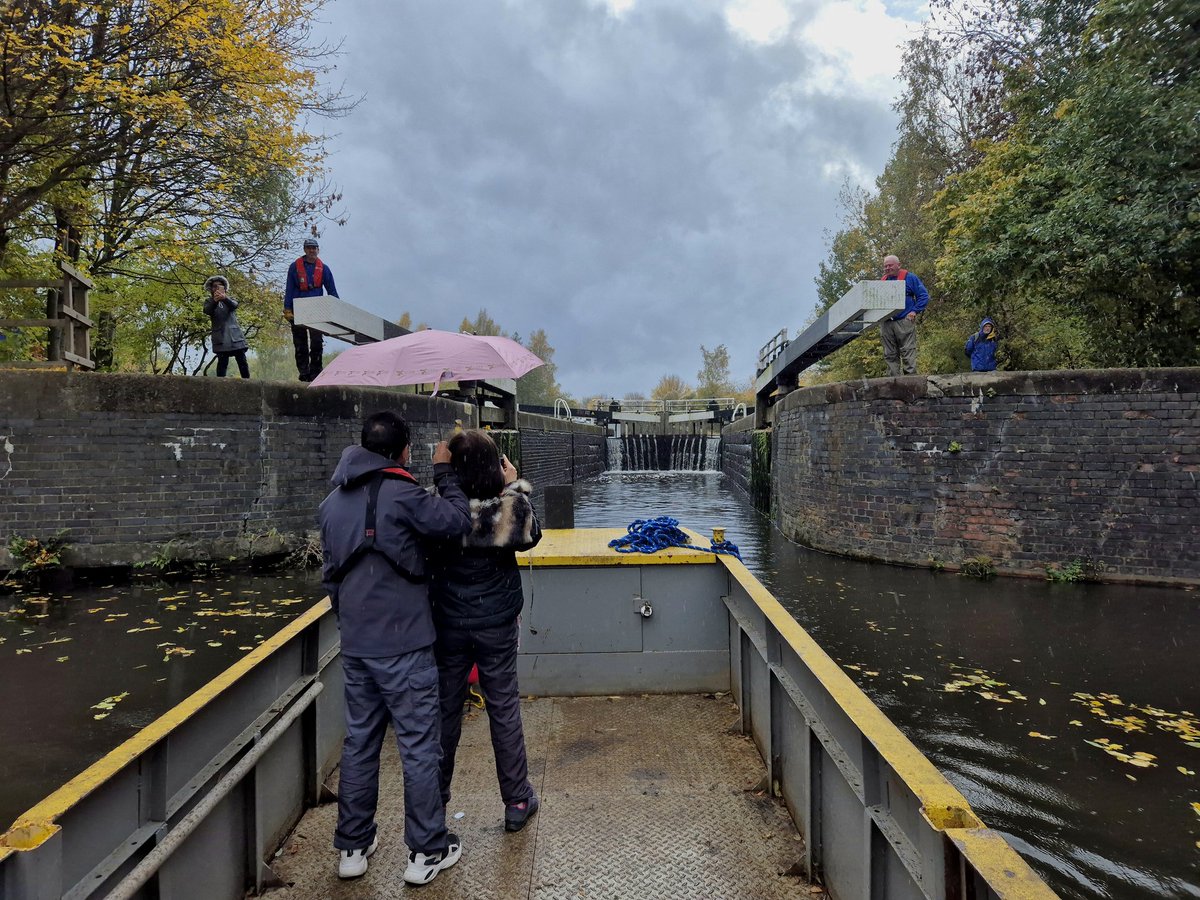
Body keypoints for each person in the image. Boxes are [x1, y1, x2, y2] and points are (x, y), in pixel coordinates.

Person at [319, 411, 472, 884]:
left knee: (361, 743)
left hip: (358, 647)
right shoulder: (405, 495)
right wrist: (444, 471)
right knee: (419, 747)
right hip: (406, 645)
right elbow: (457, 521)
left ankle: (353, 845)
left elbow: (331, 579)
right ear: (403, 451)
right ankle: (426, 851)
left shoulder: (330, 504)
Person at [429, 430, 543, 833]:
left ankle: (435, 804)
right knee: (503, 708)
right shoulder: (506, 511)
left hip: (448, 624)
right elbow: (531, 534)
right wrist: (512, 483)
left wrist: (442, 475)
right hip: (495, 624)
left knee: (444, 712)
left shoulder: (437, 510)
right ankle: (516, 800)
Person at [284, 237, 339, 381]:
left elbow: (332, 291)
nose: (311, 250)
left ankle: (316, 373)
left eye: (314, 248)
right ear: (304, 250)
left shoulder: (324, 269)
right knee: (300, 343)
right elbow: (289, 288)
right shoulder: (294, 267)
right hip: (298, 309)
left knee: (317, 342)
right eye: (309, 248)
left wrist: (336, 311)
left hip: (317, 310)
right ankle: (304, 372)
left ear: (318, 250)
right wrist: (287, 308)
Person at [880, 255, 930, 376]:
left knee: (908, 350)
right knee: (889, 353)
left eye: (890, 265)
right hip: (886, 322)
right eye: (885, 266)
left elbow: (923, 296)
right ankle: (893, 381)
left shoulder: (910, 277)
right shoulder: (882, 281)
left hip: (904, 320)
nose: (887, 268)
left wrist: (914, 311)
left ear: (898, 265)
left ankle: (910, 380)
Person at [202, 275, 250, 378]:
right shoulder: (209, 301)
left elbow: (234, 305)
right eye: (214, 286)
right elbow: (207, 310)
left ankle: (248, 383)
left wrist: (224, 298)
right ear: (211, 288)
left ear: (224, 287)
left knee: (242, 361)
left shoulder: (230, 299)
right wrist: (215, 301)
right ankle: (220, 387)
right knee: (222, 363)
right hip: (221, 337)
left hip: (235, 336)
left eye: (220, 286)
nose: (217, 288)